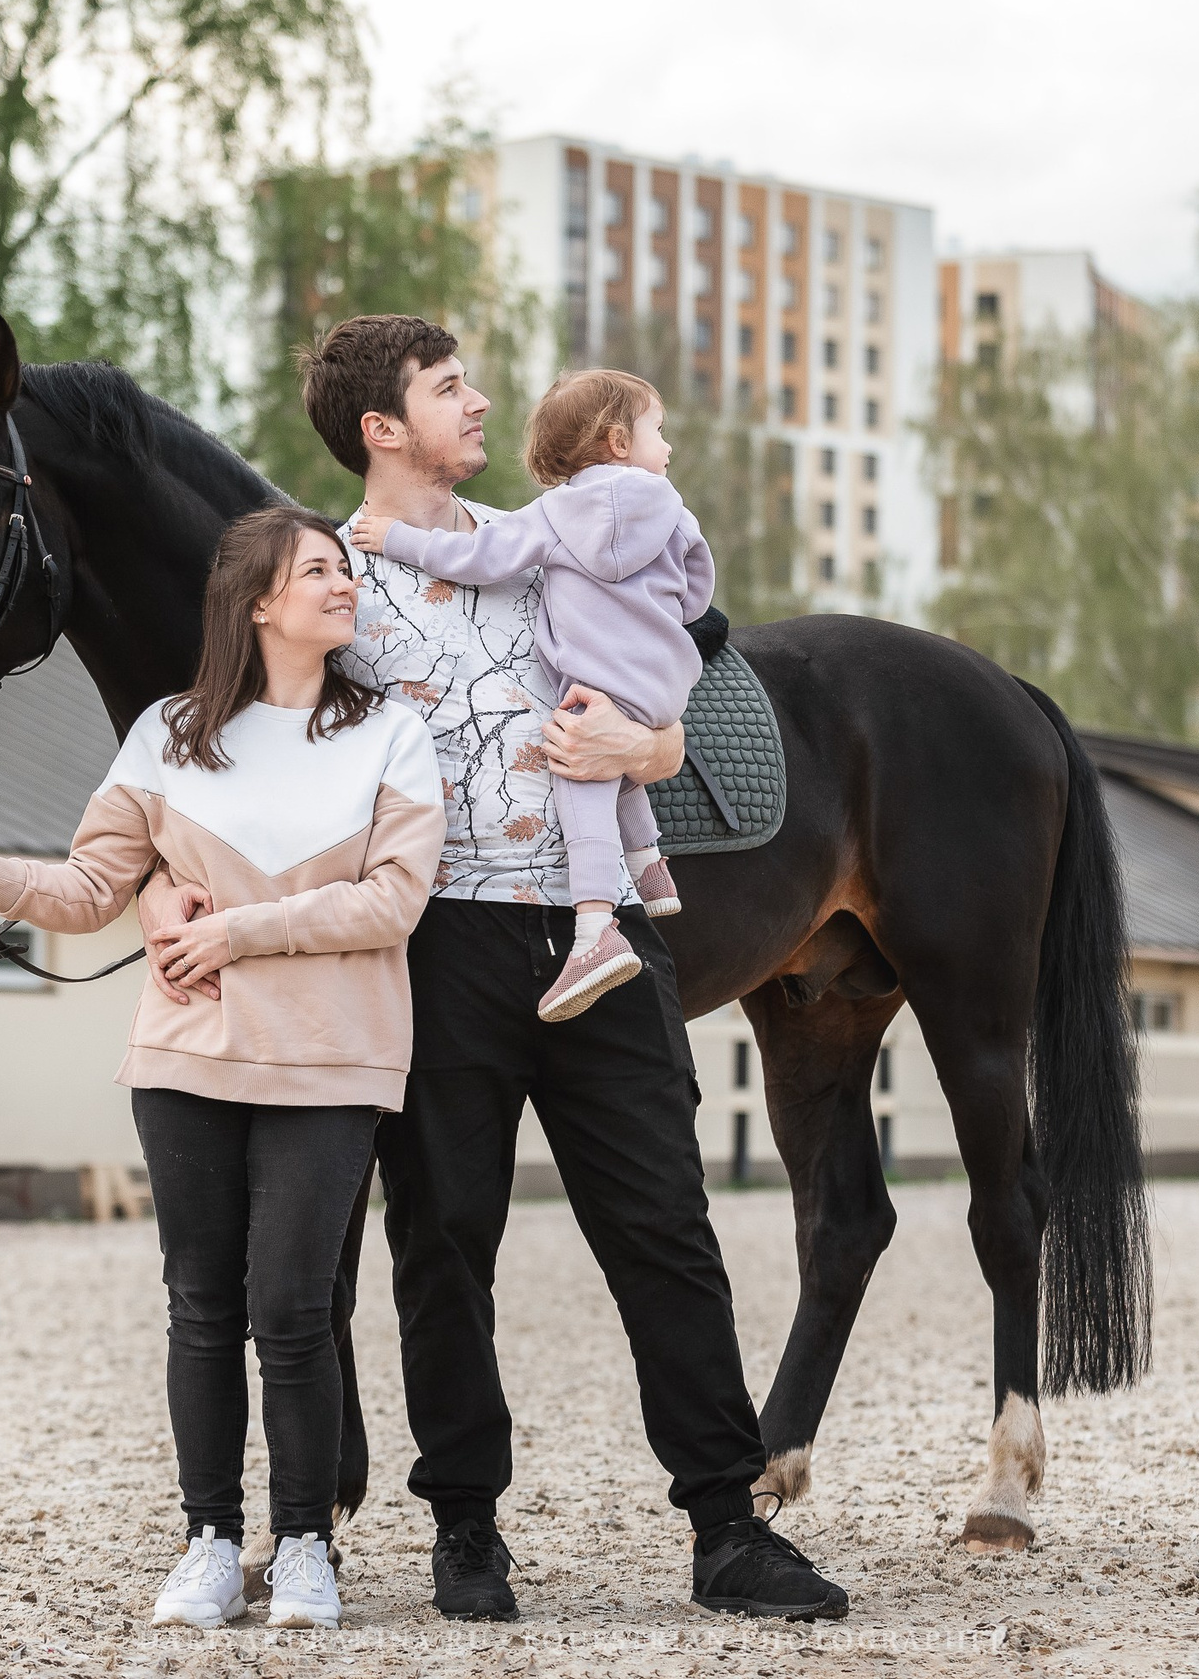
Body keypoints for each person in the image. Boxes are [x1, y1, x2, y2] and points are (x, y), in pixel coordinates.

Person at [260, 314, 848, 1622]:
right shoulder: (336, 579)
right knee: (445, 1236)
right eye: (449, 388)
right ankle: (465, 1528)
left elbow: (684, 655)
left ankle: (726, 1525)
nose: (480, 405)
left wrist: (649, 749)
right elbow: (267, 748)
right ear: (380, 427)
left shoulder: (562, 529)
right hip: (443, 939)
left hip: (600, 922)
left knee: (666, 1224)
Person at [0, 505, 442, 1634]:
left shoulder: (391, 733)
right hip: (185, 1058)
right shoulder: (166, 730)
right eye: (319, 570)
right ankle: (209, 1538)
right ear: (256, 603)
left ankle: (303, 1544)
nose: (344, 583)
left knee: (294, 1310)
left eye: (345, 569)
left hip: (332, 1061)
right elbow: (90, 887)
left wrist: (236, 930)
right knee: (200, 1307)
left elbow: (394, 899)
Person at [349, 368, 713, 1022]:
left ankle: (595, 926)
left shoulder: (545, 518)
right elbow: (698, 588)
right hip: (662, 676)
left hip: (595, 686)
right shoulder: (674, 507)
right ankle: (650, 864)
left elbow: (477, 561)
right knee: (607, 761)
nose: (668, 447)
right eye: (447, 387)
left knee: (577, 763)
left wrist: (394, 540)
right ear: (620, 441)